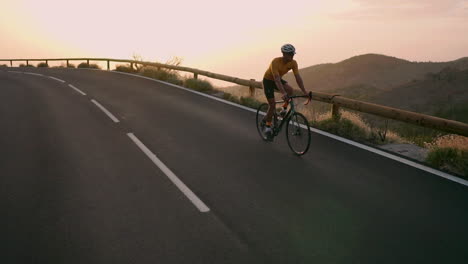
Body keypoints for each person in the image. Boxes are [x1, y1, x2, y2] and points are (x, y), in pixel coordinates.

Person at [262, 44, 309, 139]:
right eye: (290, 54)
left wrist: (304, 91)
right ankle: (267, 126)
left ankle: (283, 109)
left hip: (278, 79)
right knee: (272, 105)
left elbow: (298, 77)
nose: (292, 56)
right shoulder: (275, 61)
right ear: (284, 54)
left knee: (290, 90)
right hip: (268, 81)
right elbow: (276, 79)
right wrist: (283, 93)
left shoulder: (293, 63)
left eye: (293, 54)